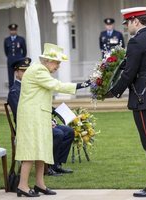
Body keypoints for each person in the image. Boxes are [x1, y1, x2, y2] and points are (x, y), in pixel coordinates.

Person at [15, 43, 90, 197]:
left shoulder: (39, 69)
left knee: (42, 150)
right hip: (32, 117)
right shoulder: (39, 70)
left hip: (38, 115)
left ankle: (39, 184)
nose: (58, 66)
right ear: (47, 60)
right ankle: (22, 185)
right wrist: (83, 85)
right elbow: (57, 85)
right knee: (31, 150)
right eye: (57, 63)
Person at [109, 7, 146, 197]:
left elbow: (129, 73)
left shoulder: (136, 42)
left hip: (144, 97)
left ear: (136, 21)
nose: (127, 27)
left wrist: (112, 91)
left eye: (127, 23)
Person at [7, 58, 75, 177]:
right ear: (16, 72)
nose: (25, 73)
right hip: (29, 125)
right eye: (23, 71)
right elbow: (21, 113)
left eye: (26, 70)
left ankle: (56, 164)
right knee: (58, 133)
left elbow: (42, 103)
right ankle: (48, 168)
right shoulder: (14, 91)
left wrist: (57, 114)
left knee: (68, 131)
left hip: (41, 120)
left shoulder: (33, 83)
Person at [4, 23, 27, 89]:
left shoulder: (21, 39)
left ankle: (21, 91)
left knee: (21, 76)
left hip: (19, 61)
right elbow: (6, 52)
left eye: (14, 30)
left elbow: (24, 51)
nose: (13, 31)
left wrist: (21, 59)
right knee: (10, 78)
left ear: (16, 30)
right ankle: (11, 93)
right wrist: (10, 57)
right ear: (9, 31)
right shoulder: (6, 40)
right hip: (10, 61)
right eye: (11, 30)